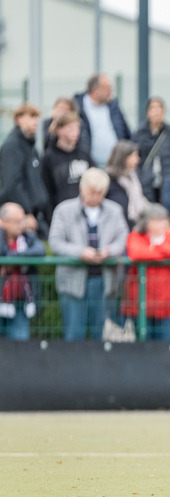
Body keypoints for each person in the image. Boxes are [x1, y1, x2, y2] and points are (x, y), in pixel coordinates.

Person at [48, 168, 129, 340]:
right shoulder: (64, 210)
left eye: (100, 193)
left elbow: (123, 238)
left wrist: (109, 251)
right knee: (73, 333)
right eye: (92, 192)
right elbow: (55, 242)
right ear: (81, 189)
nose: (95, 197)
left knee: (101, 335)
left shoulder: (114, 210)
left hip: (105, 282)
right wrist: (80, 252)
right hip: (73, 282)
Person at [122, 204, 170, 341]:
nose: (164, 224)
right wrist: (165, 252)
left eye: (164, 220)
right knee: (143, 345)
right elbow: (136, 253)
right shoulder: (136, 236)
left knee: (164, 345)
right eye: (158, 220)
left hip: (165, 305)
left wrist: (155, 248)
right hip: (141, 304)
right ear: (147, 222)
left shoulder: (169, 237)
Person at [0, 103, 50, 234]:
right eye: (31, 117)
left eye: (37, 117)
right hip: (21, 220)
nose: (36, 121)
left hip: (36, 217)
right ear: (18, 119)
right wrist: (26, 213)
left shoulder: (32, 148)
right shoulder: (12, 146)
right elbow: (11, 184)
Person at [0, 202, 45, 339]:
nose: (21, 225)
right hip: (2, 298)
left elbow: (40, 250)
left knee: (19, 347)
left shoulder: (28, 237)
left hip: (20, 303)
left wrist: (13, 259)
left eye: (22, 220)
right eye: (16, 221)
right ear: (3, 222)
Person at [74, 73, 132, 168]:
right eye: (108, 88)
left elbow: (126, 133)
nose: (111, 92)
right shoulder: (78, 107)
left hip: (116, 166)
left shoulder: (114, 107)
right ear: (96, 90)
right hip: (91, 167)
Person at [132, 97, 170, 204]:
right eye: (152, 108)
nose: (156, 112)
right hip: (146, 180)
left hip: (166, 178)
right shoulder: (140, 133)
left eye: (160, 108)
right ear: (147, 112)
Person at [41, 111, 93, 212]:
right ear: (58, 130)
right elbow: (46, 191)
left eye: (77, 127)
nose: (76, 132)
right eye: (71, 128)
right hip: (61, 211)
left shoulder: (84, 154)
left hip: (84, 210)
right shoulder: (49, 157)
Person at [104, 140, 151, 227]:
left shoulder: (132, 176)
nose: (138, 160)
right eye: (134, 156)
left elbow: (140, 201)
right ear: (123, 158)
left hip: (135, 224)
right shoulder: (109, 181)